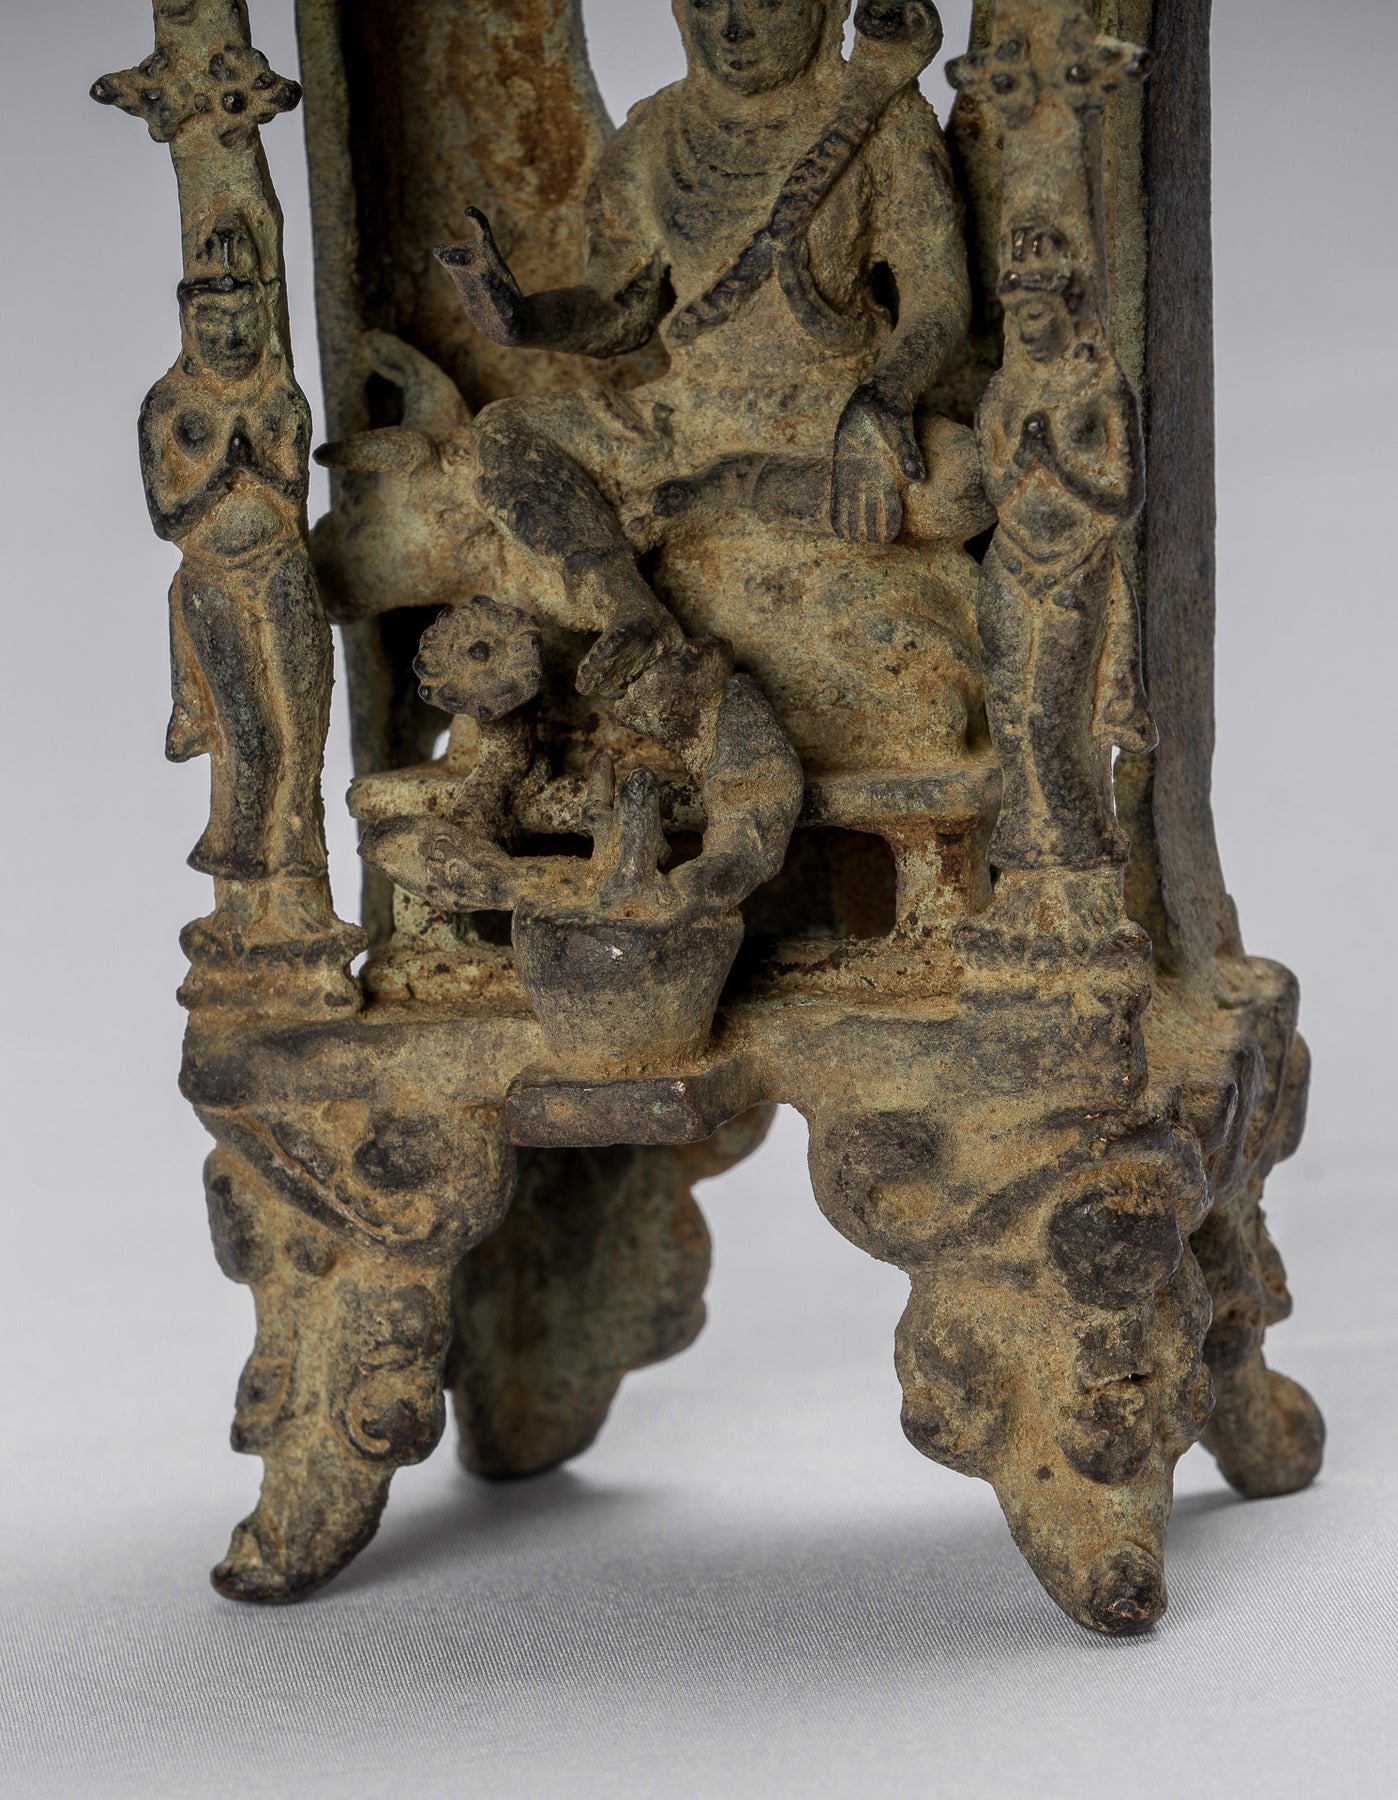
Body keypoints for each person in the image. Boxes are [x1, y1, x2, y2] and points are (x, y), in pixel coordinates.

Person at [432, 0, 971, 696]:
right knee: (507, 431)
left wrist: (883, 397)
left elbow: (938, 298)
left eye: (764, 4)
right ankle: (629, 609)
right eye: (709, 5)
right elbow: (619, 307)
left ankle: (721, 490)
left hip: (828, 413)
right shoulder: (655, 133)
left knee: (964, 481)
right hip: (690, 412)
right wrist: (521, 318)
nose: (733, 30)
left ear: (827, 8)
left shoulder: (886, 117)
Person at [138, 217, 332, 887]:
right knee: (248, 731)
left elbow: (294, 492)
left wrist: (258, 469)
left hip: (280, 566)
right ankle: (238, 847)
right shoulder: (170, 406)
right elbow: (167, 518)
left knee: (301, 723)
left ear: (265, 313)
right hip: (212, 578)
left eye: (243, 322)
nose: (230, 339)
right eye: (214, 324)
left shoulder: (280, 398)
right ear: (189, 323)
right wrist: (225, 472)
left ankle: (297, 842)